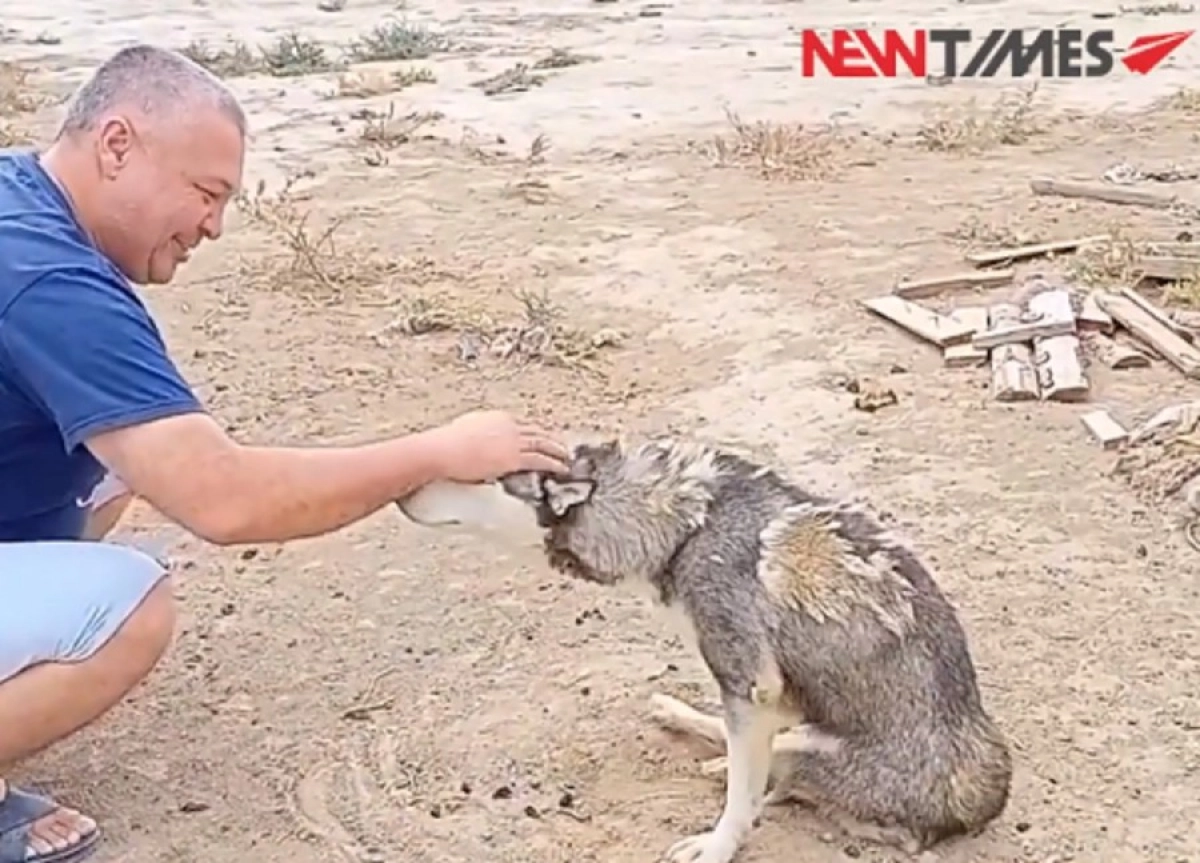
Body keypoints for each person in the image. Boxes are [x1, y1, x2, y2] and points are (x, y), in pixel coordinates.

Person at [0, 44, 570, 862]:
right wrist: (437, 450)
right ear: (116, 144)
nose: (213, 226)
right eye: (205, 192)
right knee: (129, 603)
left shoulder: (19, 203)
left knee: (122, 463)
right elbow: (228, 502)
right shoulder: (49, 278)